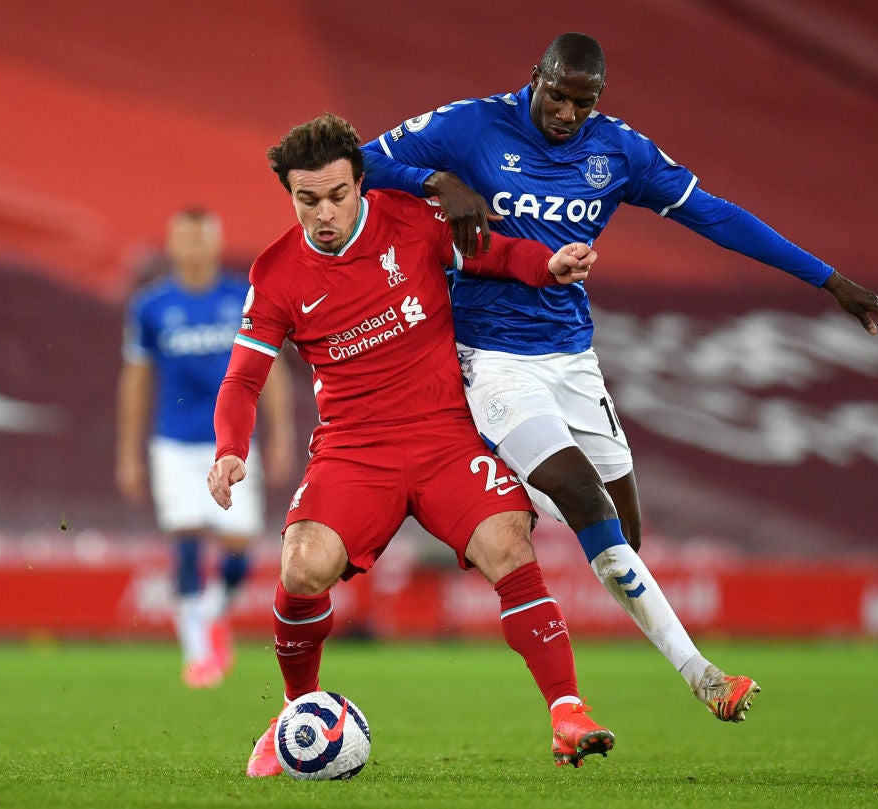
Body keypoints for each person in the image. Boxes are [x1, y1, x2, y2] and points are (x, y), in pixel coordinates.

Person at [361, 32, 878, 722]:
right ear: (535, 77)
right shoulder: (469, 126)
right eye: (557, 95)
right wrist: (437, 181)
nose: (565, 113)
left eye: (581, 102)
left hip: (573, 358)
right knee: (586, 499)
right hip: (490, 356)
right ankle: (704, 675)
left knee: (623, 537)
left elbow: (717, 215)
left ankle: (508, 496)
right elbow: (355, 164)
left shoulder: (618, 151)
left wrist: (830, 280)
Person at [207, 113, 614, 776]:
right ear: (291, 196)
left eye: (338, 195)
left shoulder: (410, 219)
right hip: (354, 449)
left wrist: (552, 263)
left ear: (361, 182)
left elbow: (499, 255)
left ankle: (568, 712)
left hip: (443, 435)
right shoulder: (276, 272)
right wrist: (230, 447)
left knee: (508, 542)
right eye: (307, 200)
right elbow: (243, 378)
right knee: (301, 566)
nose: (324, 213)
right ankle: (297, 711)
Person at [115, 207, 296, 689]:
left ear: (216, 244)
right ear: (172, 246)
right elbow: (135, 381)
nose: (194, 249)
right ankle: (199, 655)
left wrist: (281, 435)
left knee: (239, 549)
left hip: (234, 442)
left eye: (202, 239)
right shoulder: (151, 307)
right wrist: (129, 454)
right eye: (185, 239)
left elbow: (269, 368)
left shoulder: (242, 296)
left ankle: (211, 616)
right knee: (188, 538)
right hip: (173, 442)